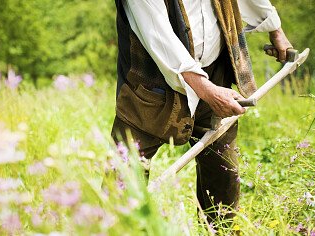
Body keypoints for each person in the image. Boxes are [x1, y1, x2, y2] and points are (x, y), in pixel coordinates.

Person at [111, 0, 293, 224]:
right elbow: (158, 35)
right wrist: (208, 91)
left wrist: (275, 29)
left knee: (222, 176)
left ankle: (220, 229)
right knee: (125, 175)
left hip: (215, 74)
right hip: (151, 85)